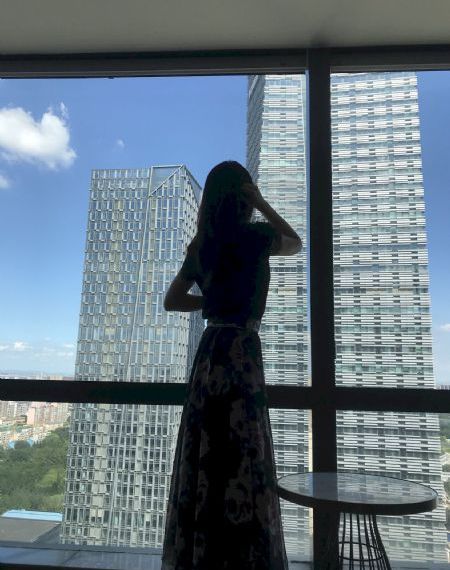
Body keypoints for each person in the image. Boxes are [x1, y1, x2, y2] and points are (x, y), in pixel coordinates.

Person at [161, 160, 302, 570]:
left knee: (206, 445)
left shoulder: (202, 244)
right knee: (244, 446)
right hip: (242, 348)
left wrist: (211, 302)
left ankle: (201, 552)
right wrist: (262, 202)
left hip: (211, 350)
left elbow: (172, 301)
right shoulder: (256, 236)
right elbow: (294, 243)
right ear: (243, 196)